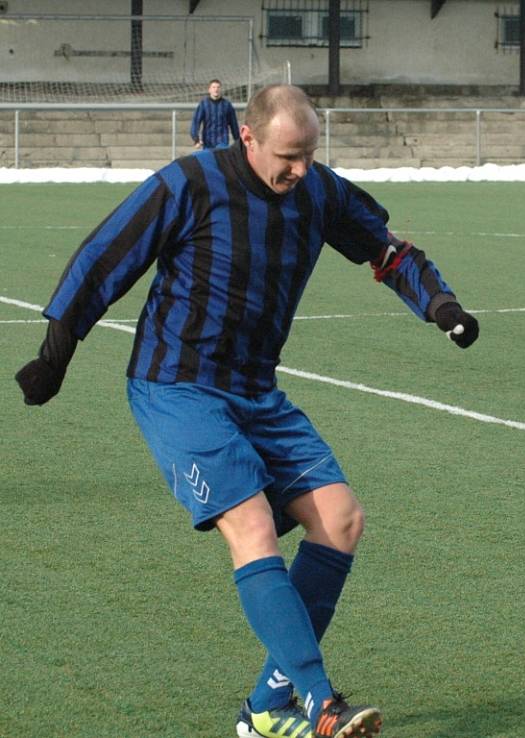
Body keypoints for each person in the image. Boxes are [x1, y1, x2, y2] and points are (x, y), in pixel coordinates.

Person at [15, 84, 479, 738]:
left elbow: (386, 249)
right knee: (252, 524)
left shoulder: (317, 190)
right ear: (248, 139)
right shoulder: (189, 184)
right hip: (176, 387)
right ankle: (319, 701)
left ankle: (266, 707)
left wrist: (440, 306)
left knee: (340, 520)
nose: (299, 170)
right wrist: (54, 356)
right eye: (288, 156)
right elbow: (104, 257)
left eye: (310, 155)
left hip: (256, 390)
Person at [191, 78, 240, 150]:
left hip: (223, 142)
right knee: (208, 161)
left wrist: (237, 140)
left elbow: (234, 124)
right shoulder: (204, 104)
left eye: (218, 87)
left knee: (221, 160)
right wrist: (196, 139)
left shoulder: (227, 105)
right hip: (208, 142)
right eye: (213, 87)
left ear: (220, 89)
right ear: (209, 90)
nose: (216, 89)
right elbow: (196, 122)